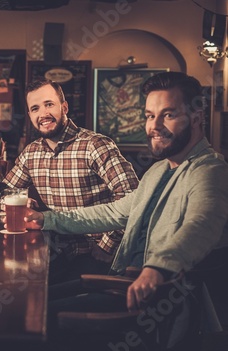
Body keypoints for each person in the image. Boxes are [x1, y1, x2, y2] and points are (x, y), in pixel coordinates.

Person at [23, 72, 228, 345]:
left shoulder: (209, 170)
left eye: (168, 114)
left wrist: (158, 267)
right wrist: (46, 220)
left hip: (148, 308)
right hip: (119, 283)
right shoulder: (158, 170)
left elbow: (202, 225)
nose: (155, 125)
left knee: (29, 317)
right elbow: (112, 212)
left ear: (196, 117)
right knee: (28, 299)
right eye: (149, 115)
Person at [2, 78, 139, 283]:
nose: (43, 114)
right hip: (55, 251)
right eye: (35, 108)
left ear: (64, 107)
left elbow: (133, 199)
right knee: (14, 282)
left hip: (94, 253)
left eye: (49, 104)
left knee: (44, 300)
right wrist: (21, 201)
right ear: (30, 115)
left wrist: (107, 245)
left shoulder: (95, 145)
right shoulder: (31, 152)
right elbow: (6, 191)